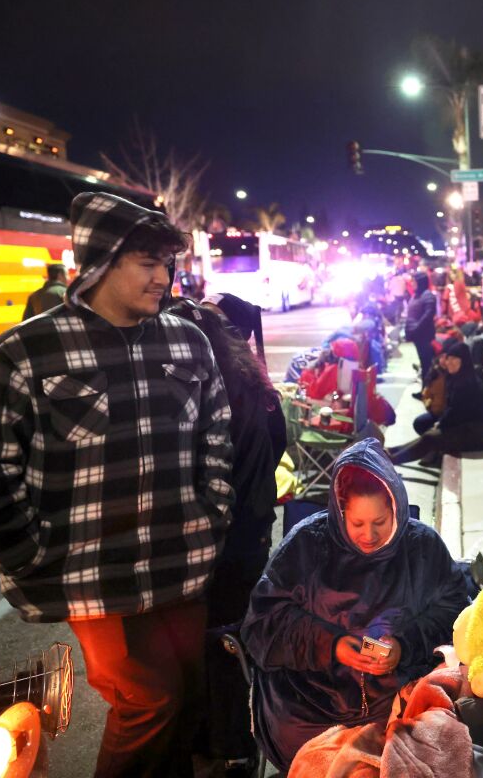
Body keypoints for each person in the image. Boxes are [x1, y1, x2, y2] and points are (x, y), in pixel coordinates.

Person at [0, 192, 234, 778]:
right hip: (91, 577)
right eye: (147, 263)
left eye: (167, 264)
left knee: (186, 696)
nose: (163, 277)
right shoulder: (24, 353)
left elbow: (215, 435)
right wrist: (26, 552)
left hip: (182, 564)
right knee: (148, 699)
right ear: (102, 262)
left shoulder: (188, 341)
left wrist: (212, 512)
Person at [242, 439, 468, 770]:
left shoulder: (423, 546)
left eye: (380, 522)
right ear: (340, 510)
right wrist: (332, 645)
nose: (369, 535)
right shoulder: (306, 545)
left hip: (397, 697)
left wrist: (403, 647)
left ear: (396, 508)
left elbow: (454, 611)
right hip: (310, 705)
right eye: (357, 524)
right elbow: (262, 625)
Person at [168, 294, 286, 775]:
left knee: (206, 651)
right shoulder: (253, 387)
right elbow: (276, 448)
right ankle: (237, 744)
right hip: (251, 537)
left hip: (219, 546)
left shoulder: (205, 399)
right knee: (230, 645)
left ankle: (222, 748)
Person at [388, 341, 483, 466]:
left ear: (463, 361)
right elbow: (453, 411)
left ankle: (391, 461)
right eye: (448, 358)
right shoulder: (459, 377)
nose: (449, 362)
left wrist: (440, 424)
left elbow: (458, 413)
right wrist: (440, 423)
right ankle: (391, 452)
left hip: (477, 434)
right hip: (464, 426)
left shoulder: (470, 382)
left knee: (431, 437)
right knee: (429, 434)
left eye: (454, 359)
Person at [404, 271, 438, 389]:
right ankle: (425, 390)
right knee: (424, 364)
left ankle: (427, 391)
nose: (412, 283)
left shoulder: (427, 295)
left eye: (414, 281)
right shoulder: (417, 295)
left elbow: (428, 315)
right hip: (418, 336)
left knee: (427, 364)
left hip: (424, 336)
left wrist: (416, 328)